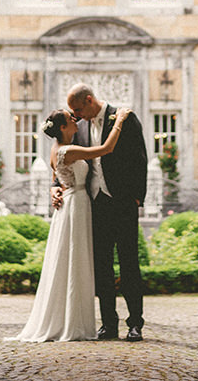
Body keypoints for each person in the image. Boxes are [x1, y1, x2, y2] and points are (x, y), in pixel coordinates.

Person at [7, 107, 129, 342]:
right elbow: (106, 149)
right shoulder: (67, 150)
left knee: (70, 259)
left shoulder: (57, 150)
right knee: (75, 259)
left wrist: (55, 189)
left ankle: (70, 317)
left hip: (73, 202)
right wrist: (120, 121)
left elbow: (59, 179)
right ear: (63, 128)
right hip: (76, 204)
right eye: (71, 119)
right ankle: (72, 321)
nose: (76, 121)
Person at [65, 83, 148, 342]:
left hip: (123, 203)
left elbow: (140, 159)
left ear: (90, 100)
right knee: (101, 266)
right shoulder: (79, 127)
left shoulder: (125, 117)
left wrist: (136, 198)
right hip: (95, 203)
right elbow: (67, 161)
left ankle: (135, 324)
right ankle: (108, 324)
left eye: (78, 109)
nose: (76, 115)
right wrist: (57, 187)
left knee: (129, 264)